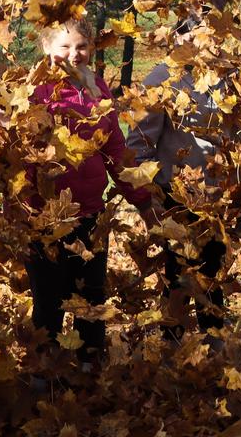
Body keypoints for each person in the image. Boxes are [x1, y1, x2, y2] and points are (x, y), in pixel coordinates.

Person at [23, 18, 152, 366]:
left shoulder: (97, 89)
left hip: (90, 215)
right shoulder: (33, 93)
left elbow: (115, 149)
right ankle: (42, 373)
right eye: (64, 47)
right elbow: (20, 161)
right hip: (45, 218)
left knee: (90, 297)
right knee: (48, 301)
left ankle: (90, 367)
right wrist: (23, 210)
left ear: (90, 48)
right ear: (47, 49)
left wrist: (140, 198)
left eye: (80, 46)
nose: (73, 54)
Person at [126, 6, 241, 338]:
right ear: (178, 38)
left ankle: (213, 337)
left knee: (213, 268)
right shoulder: (161, 78)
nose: (201, 44)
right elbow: (139, 142)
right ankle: (174, 338)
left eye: (210, 37)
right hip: (178, 193)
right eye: (192, 35)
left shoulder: (231, 79)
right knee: (180, 269)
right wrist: (150, 194)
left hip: (218, 193)